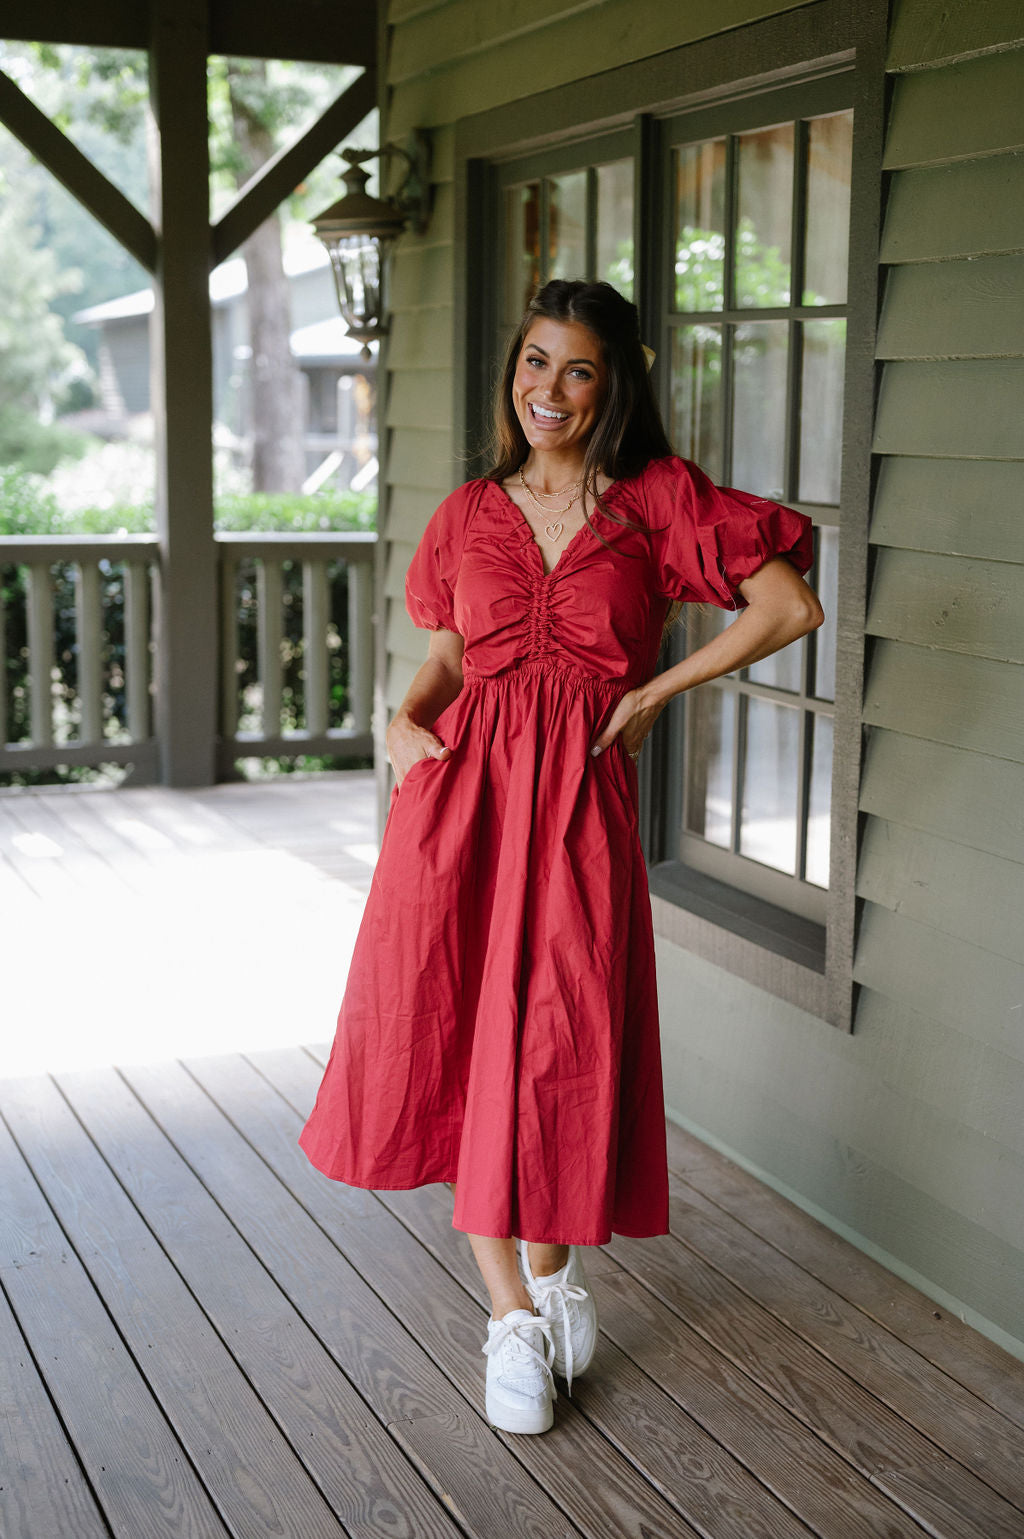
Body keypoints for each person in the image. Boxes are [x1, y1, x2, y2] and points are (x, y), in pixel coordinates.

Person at [299, 278, 823, 1436]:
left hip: (579, 802)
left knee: (560, 1042)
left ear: (612, 383)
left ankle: (552, 1273)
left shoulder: (653, 504)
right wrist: (401, 719)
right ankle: (510, 1319)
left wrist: (653, 691)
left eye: (576, 369)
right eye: (534, 362)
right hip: (460, 803)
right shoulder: (466, 513)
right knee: (453, 1035)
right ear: (512, 373)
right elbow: (446, 658)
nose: (548, 389)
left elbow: (786, 608)